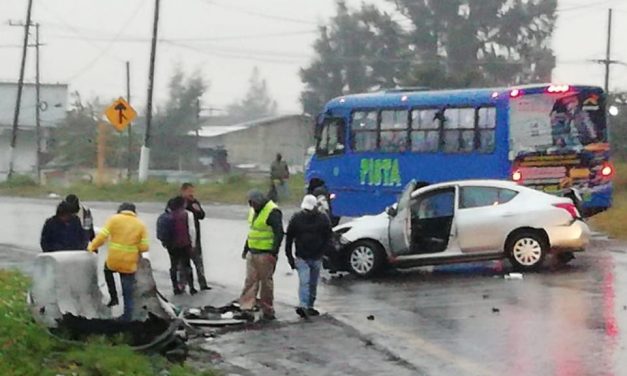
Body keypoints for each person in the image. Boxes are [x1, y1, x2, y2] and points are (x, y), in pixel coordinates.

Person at [87, 202, 149, 322]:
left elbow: (102, 237)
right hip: (129, 263)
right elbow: (144, 247)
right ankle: (127, 317)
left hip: (114, 260)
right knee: (128, 292)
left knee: (107, 271)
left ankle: (114, 296)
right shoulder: (140, 225)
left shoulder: (113, 220)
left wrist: (91, 247)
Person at [239, 189, 284, 321]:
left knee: (266, 283)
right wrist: (246, 248)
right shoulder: (254, 211)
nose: (251, 206)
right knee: (250, 281)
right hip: (253, 252)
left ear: (259, 201)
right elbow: (253, 231)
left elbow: (279, 233)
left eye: (252, 203)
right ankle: (246, 307)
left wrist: (273, 253)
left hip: (265, 253)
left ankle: (267, 309)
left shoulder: (273, 211)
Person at [285, 195, 332, 319]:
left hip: (316, 257)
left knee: (312, 283)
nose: (307, 211)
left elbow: (328, 236)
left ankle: (309, 306)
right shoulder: (296, 219)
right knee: (304, 282)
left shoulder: (323, 219)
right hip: (302, 257)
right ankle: (303, 306)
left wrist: (323, 252)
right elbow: (289, 238)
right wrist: (290, 257)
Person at [161, 196, 197, 295]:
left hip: (172, 245)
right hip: (185, 244)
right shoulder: (188, 214)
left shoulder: (168, 215)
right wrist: (193, 244)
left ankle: (175, 287)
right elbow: (192, 230)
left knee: (173, 266)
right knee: (187, 265)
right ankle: (192, 288)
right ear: (183, 204)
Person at [180, 183, 210, 290]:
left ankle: (203, 284)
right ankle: (182, 284)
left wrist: (198, 209)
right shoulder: (178, 202)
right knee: (182, 263)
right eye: (189, 191)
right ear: (183, 191)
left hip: (195, 236)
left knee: (198, 261)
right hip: (182, 237)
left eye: (193, 191)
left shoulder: (195, 202)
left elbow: (202, 216)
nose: (192, 193)